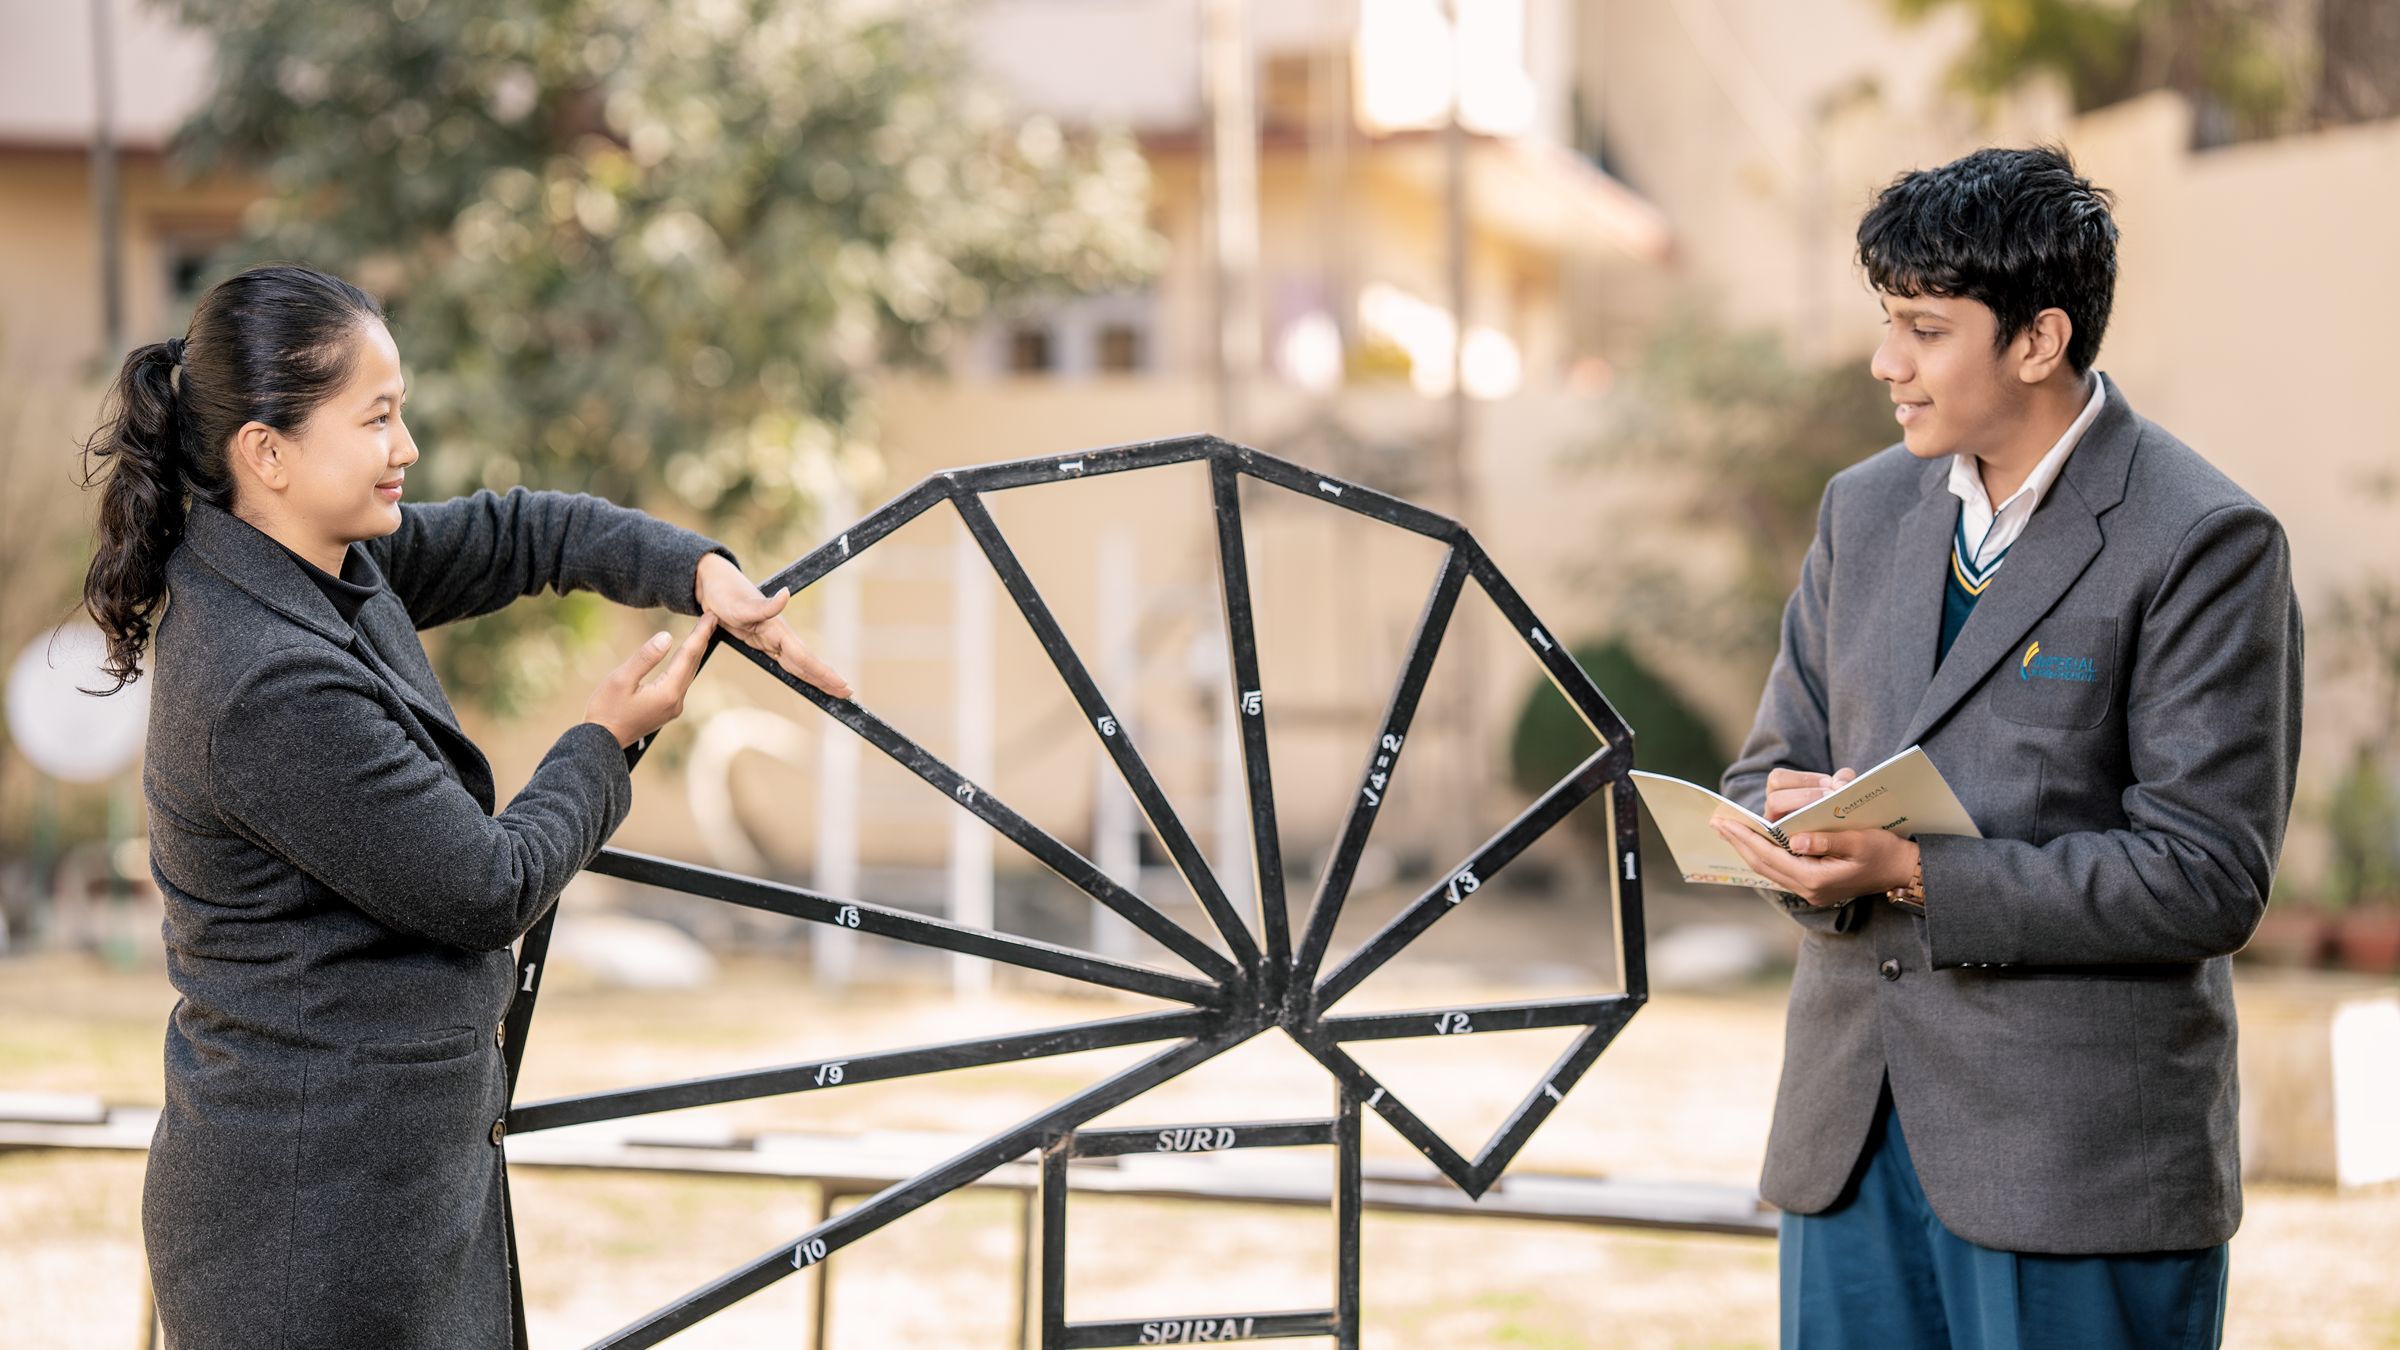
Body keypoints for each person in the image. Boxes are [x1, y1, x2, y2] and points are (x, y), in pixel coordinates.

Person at [77, 262, 854, 1349]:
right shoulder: (266, 680)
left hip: (383, 1192)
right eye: (376, 418)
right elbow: (486, 886)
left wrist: (698, 572)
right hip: (310, 1232)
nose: (406, 446)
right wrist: (605, 741)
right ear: (268, 452)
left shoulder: (315, 567)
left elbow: (524, 534)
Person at [1711, 147, 2303, 1348]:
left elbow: (2206, 877)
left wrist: (1915, 872)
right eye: (1888, 322)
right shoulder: (1862, 509)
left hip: (2076, 1168)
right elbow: (1764, 766)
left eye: (1924, 330)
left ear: (2039, 340)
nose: (1886, 362)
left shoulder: (2204, 539)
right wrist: (1787, 836)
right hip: (1849, 1146)